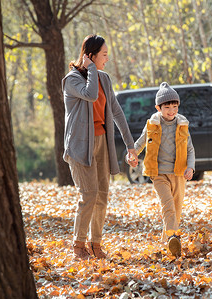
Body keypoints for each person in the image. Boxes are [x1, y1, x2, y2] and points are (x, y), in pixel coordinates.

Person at [62, 34, 138, 260]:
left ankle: (95, 244)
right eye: (104, 55)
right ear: (90, 55)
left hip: (101, 143)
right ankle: (78, 245)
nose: (107, 59)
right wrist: (91, 69)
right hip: (79, 146)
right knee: (89, 194)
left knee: (102, 195)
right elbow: (90, 94)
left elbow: (116, 112)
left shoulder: (104, 78)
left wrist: (130, 146)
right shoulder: (71, 80)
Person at [132, 82, 195, 257]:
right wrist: (133, 154)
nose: (171, 111)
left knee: (176, 208)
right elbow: (141, 141)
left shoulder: (182, 124)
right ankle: (174, 236)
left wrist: (191, 167)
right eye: (167, 107)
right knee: (167, 205)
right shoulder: (152, 124)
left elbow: (190, 149)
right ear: (158, 108)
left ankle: (166, 242)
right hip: (158, 173)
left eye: (175, 107)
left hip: (178, 172)